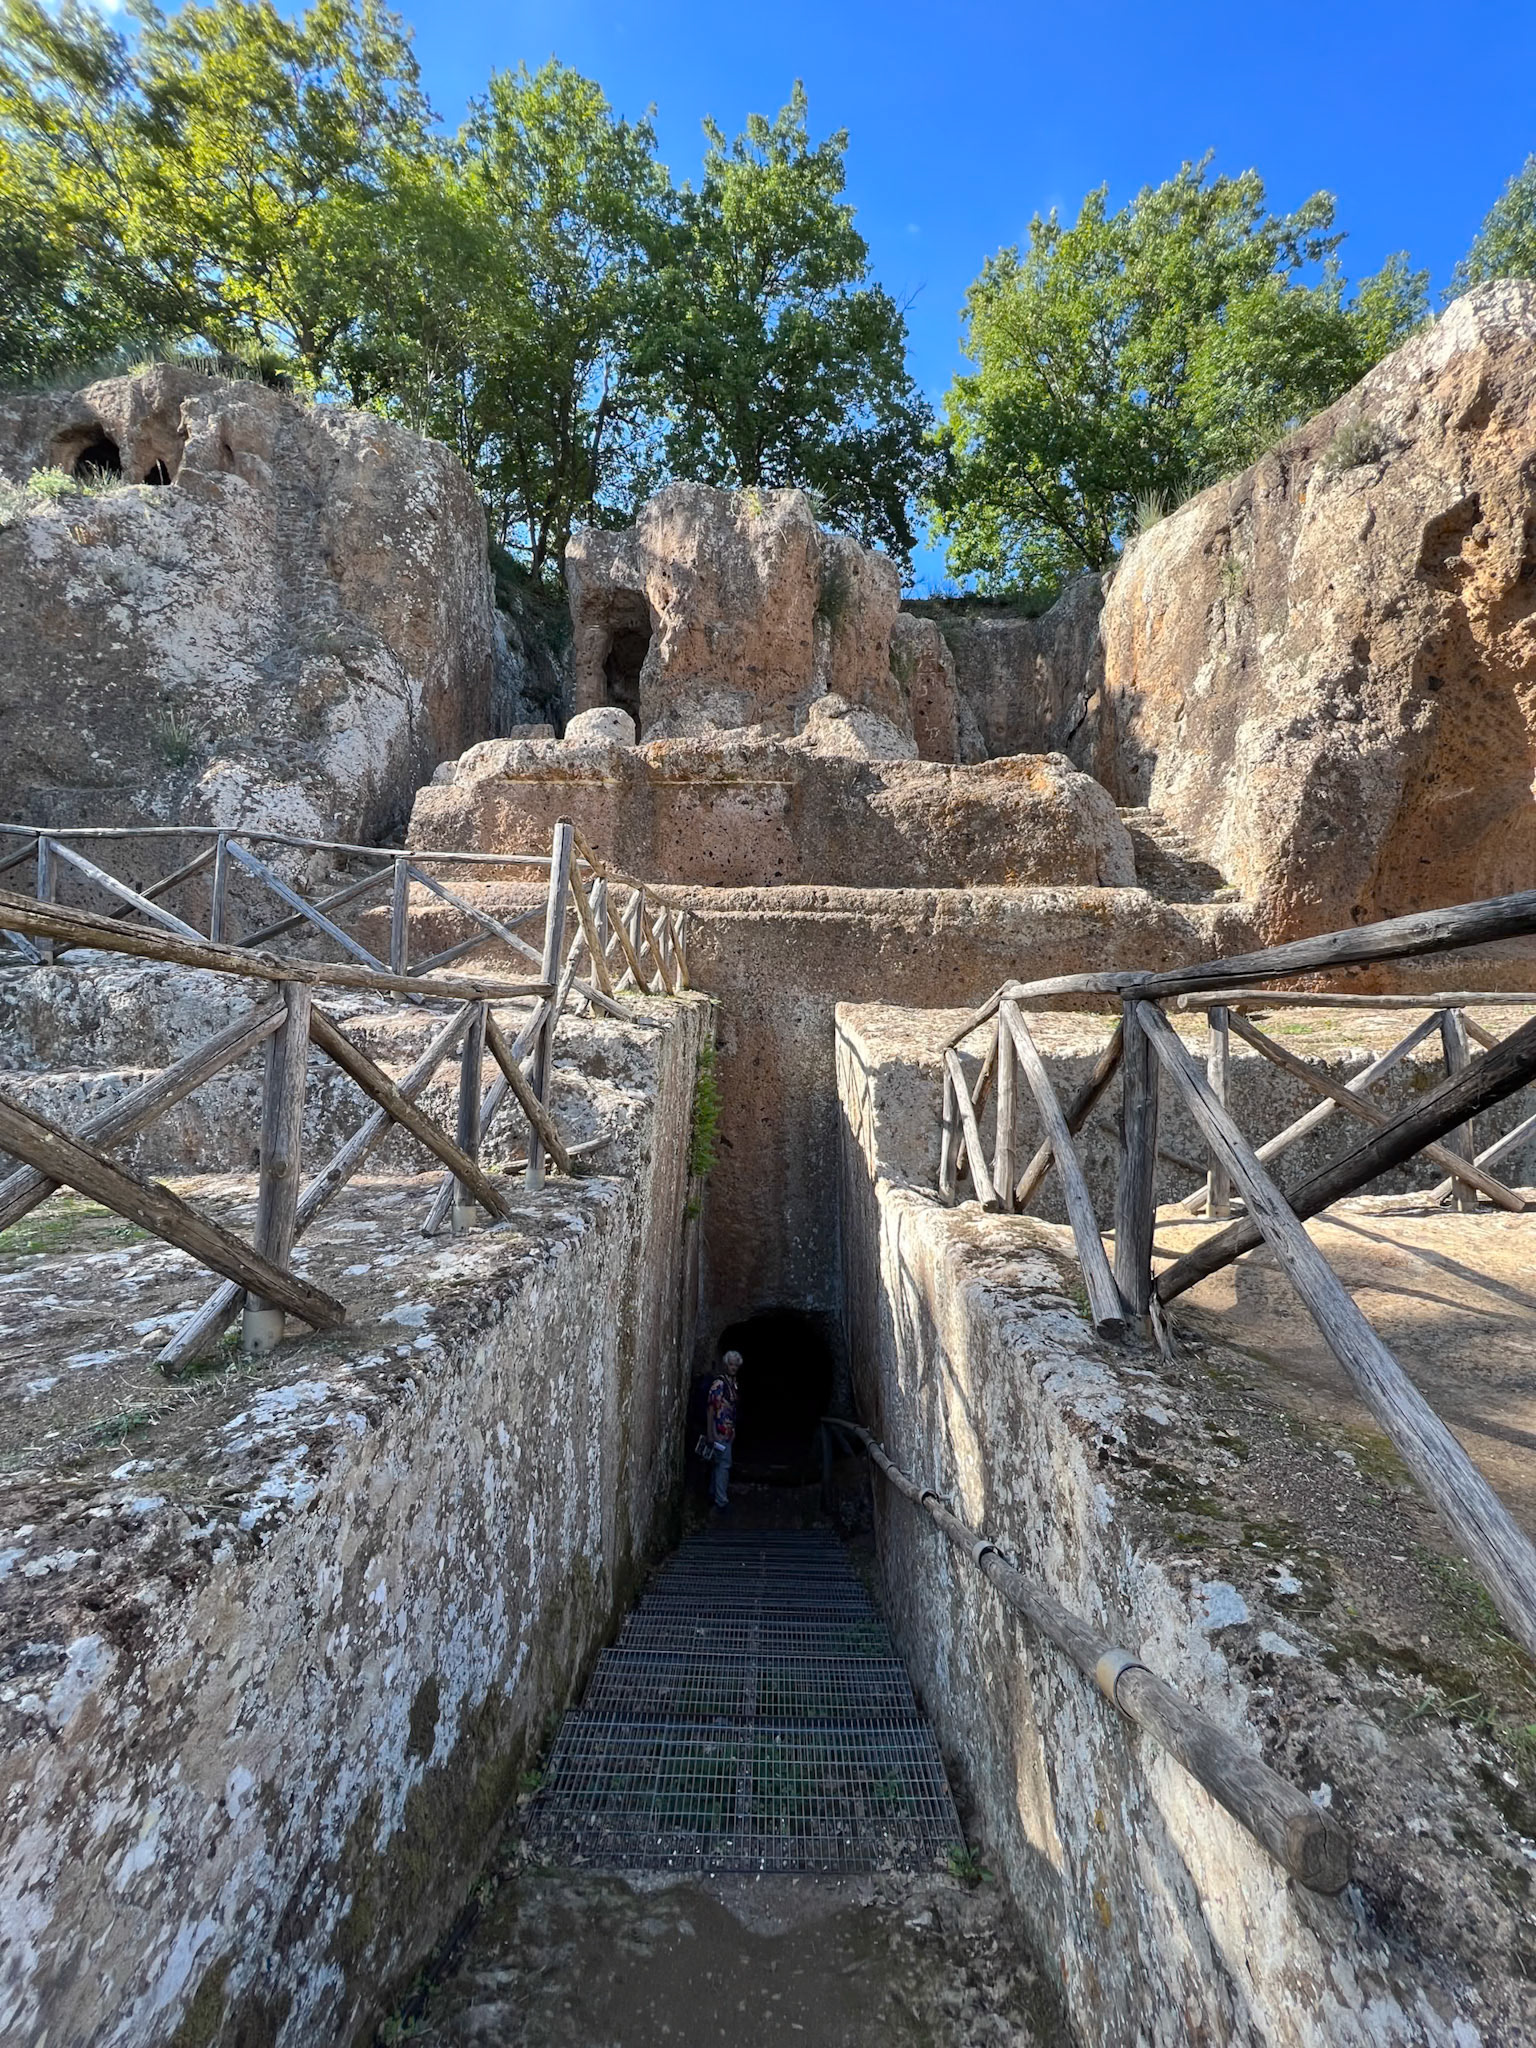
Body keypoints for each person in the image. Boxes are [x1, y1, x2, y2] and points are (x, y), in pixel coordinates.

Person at [705, 1351, 741, 1511]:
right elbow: (711, 1409)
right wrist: (711, 1433)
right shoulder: (719, 1384)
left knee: (718, 1463)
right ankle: (721, 1501)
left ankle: (713, 1495)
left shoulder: (732, 1383)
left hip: (727, 1431)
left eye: (735, 1365)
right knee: (724, 1465)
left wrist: (733, 1430)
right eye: (731, 1364)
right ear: (725, 1364)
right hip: (719, 1431)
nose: (733, 1367)